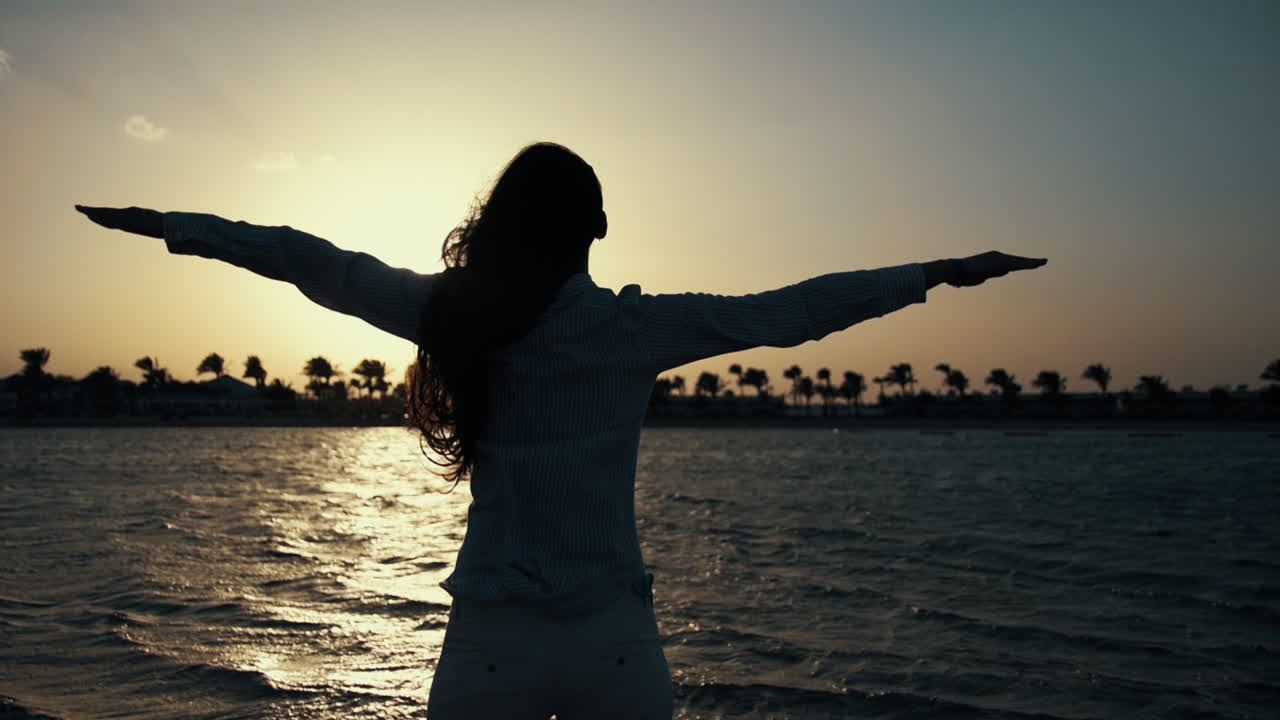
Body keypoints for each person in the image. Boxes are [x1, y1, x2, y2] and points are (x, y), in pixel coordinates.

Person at [76, 141, 1047, 719]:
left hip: (488, 642)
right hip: (615, 646)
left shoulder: (447, 314)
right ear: (597, 228)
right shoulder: (633, 329)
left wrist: (173, 223)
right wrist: (935, 271)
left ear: (498, 225)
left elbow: (309, 261)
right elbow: (789, 309)